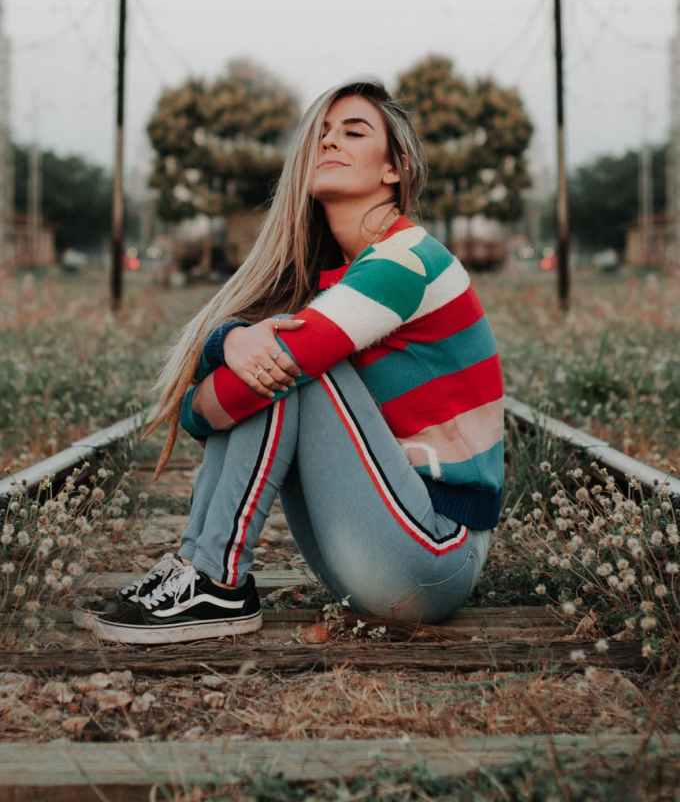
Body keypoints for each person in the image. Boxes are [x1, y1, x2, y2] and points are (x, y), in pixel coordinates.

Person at [90, 80, 505, 645]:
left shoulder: (405, 262)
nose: (328, 143)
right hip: (371, 555)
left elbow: (214, 406)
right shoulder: (333, 280)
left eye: (353, 132)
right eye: (321, 134)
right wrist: (231, 342)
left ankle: (215, 577)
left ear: (395, 169)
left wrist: (228, 350)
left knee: (297, 371)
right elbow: (200, 413)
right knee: (283, 361)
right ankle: (200, 566)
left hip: (436, 555)